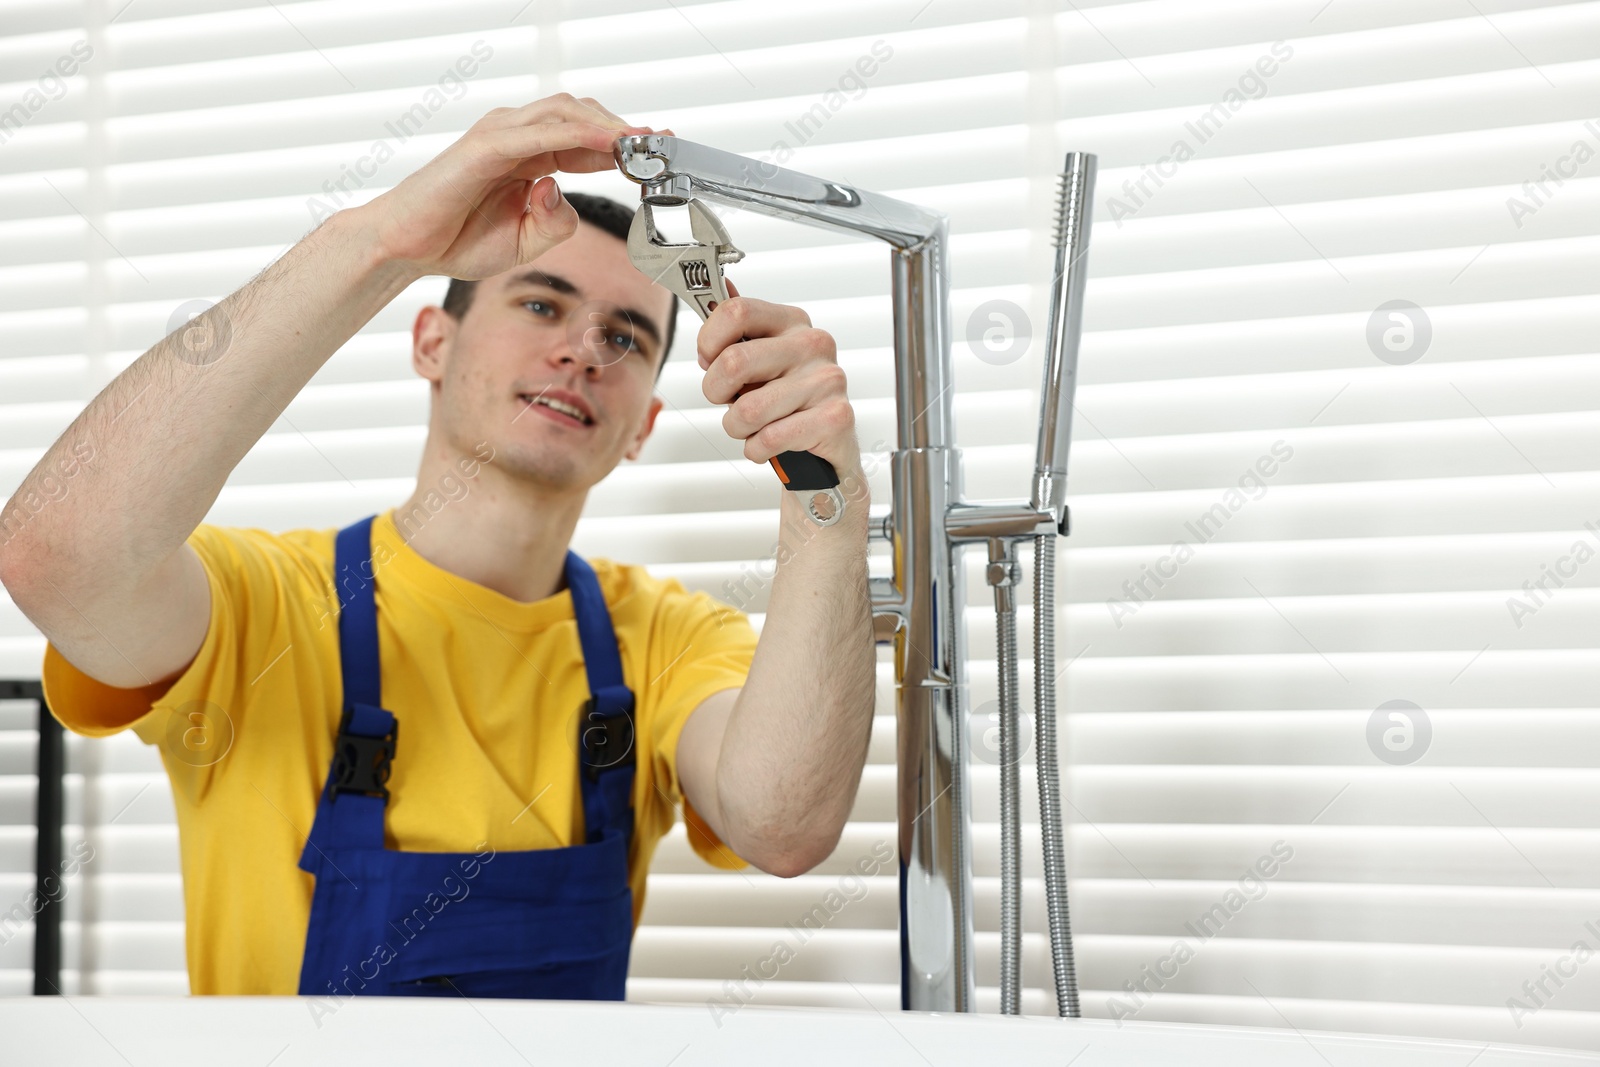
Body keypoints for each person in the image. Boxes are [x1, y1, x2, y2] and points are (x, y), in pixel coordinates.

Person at [0, 95, 876, 1001]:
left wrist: (828, 498)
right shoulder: (262, 607)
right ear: (432, 341)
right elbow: (55, 555)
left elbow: (782, 824)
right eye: (543, 303)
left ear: (642, 428)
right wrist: (380, 243)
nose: (582, 351)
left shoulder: (665, 641)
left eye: (625, 337)